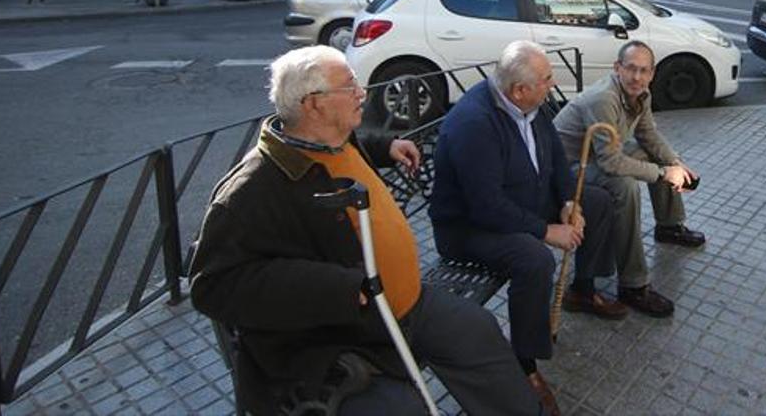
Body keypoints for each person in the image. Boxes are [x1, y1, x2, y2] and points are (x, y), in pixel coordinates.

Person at [190, 47, 540, 416]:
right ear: (314, 104)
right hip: (344, 331)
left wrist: (385, 145)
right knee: (401, 410)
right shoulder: (252, 189)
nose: (363, 93)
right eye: (350, 86)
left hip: (409, 303)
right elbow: (213, 286)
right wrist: (336, 287)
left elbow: (349, 149)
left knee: (478, 330)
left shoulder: (331, 136)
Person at [430, 41, 625, 416]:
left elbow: (554, 155)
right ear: (519, 90)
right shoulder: (475, 124)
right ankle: (524, 366)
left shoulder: (528, 104)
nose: (552, 84)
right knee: (534, 259)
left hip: (518, 203)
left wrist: (569, 201)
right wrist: (546, 231)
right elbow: (485, 207)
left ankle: (583, 289)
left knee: (596, 202)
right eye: (547, 79)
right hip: (469, 229)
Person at [554, 41, 705, 319]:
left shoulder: (640, 93)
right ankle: (633, 285)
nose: (637, 77)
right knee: (624, 185)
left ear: (652, 74)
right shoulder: (604, 98)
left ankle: (669, 225)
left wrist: (674, 162)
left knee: (657, 158)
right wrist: (663, 174)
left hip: (596, 155)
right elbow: (612, 163)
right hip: (567, 168)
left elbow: (648, 134)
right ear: (617, 68)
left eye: (643, 70)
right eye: (631, 69)